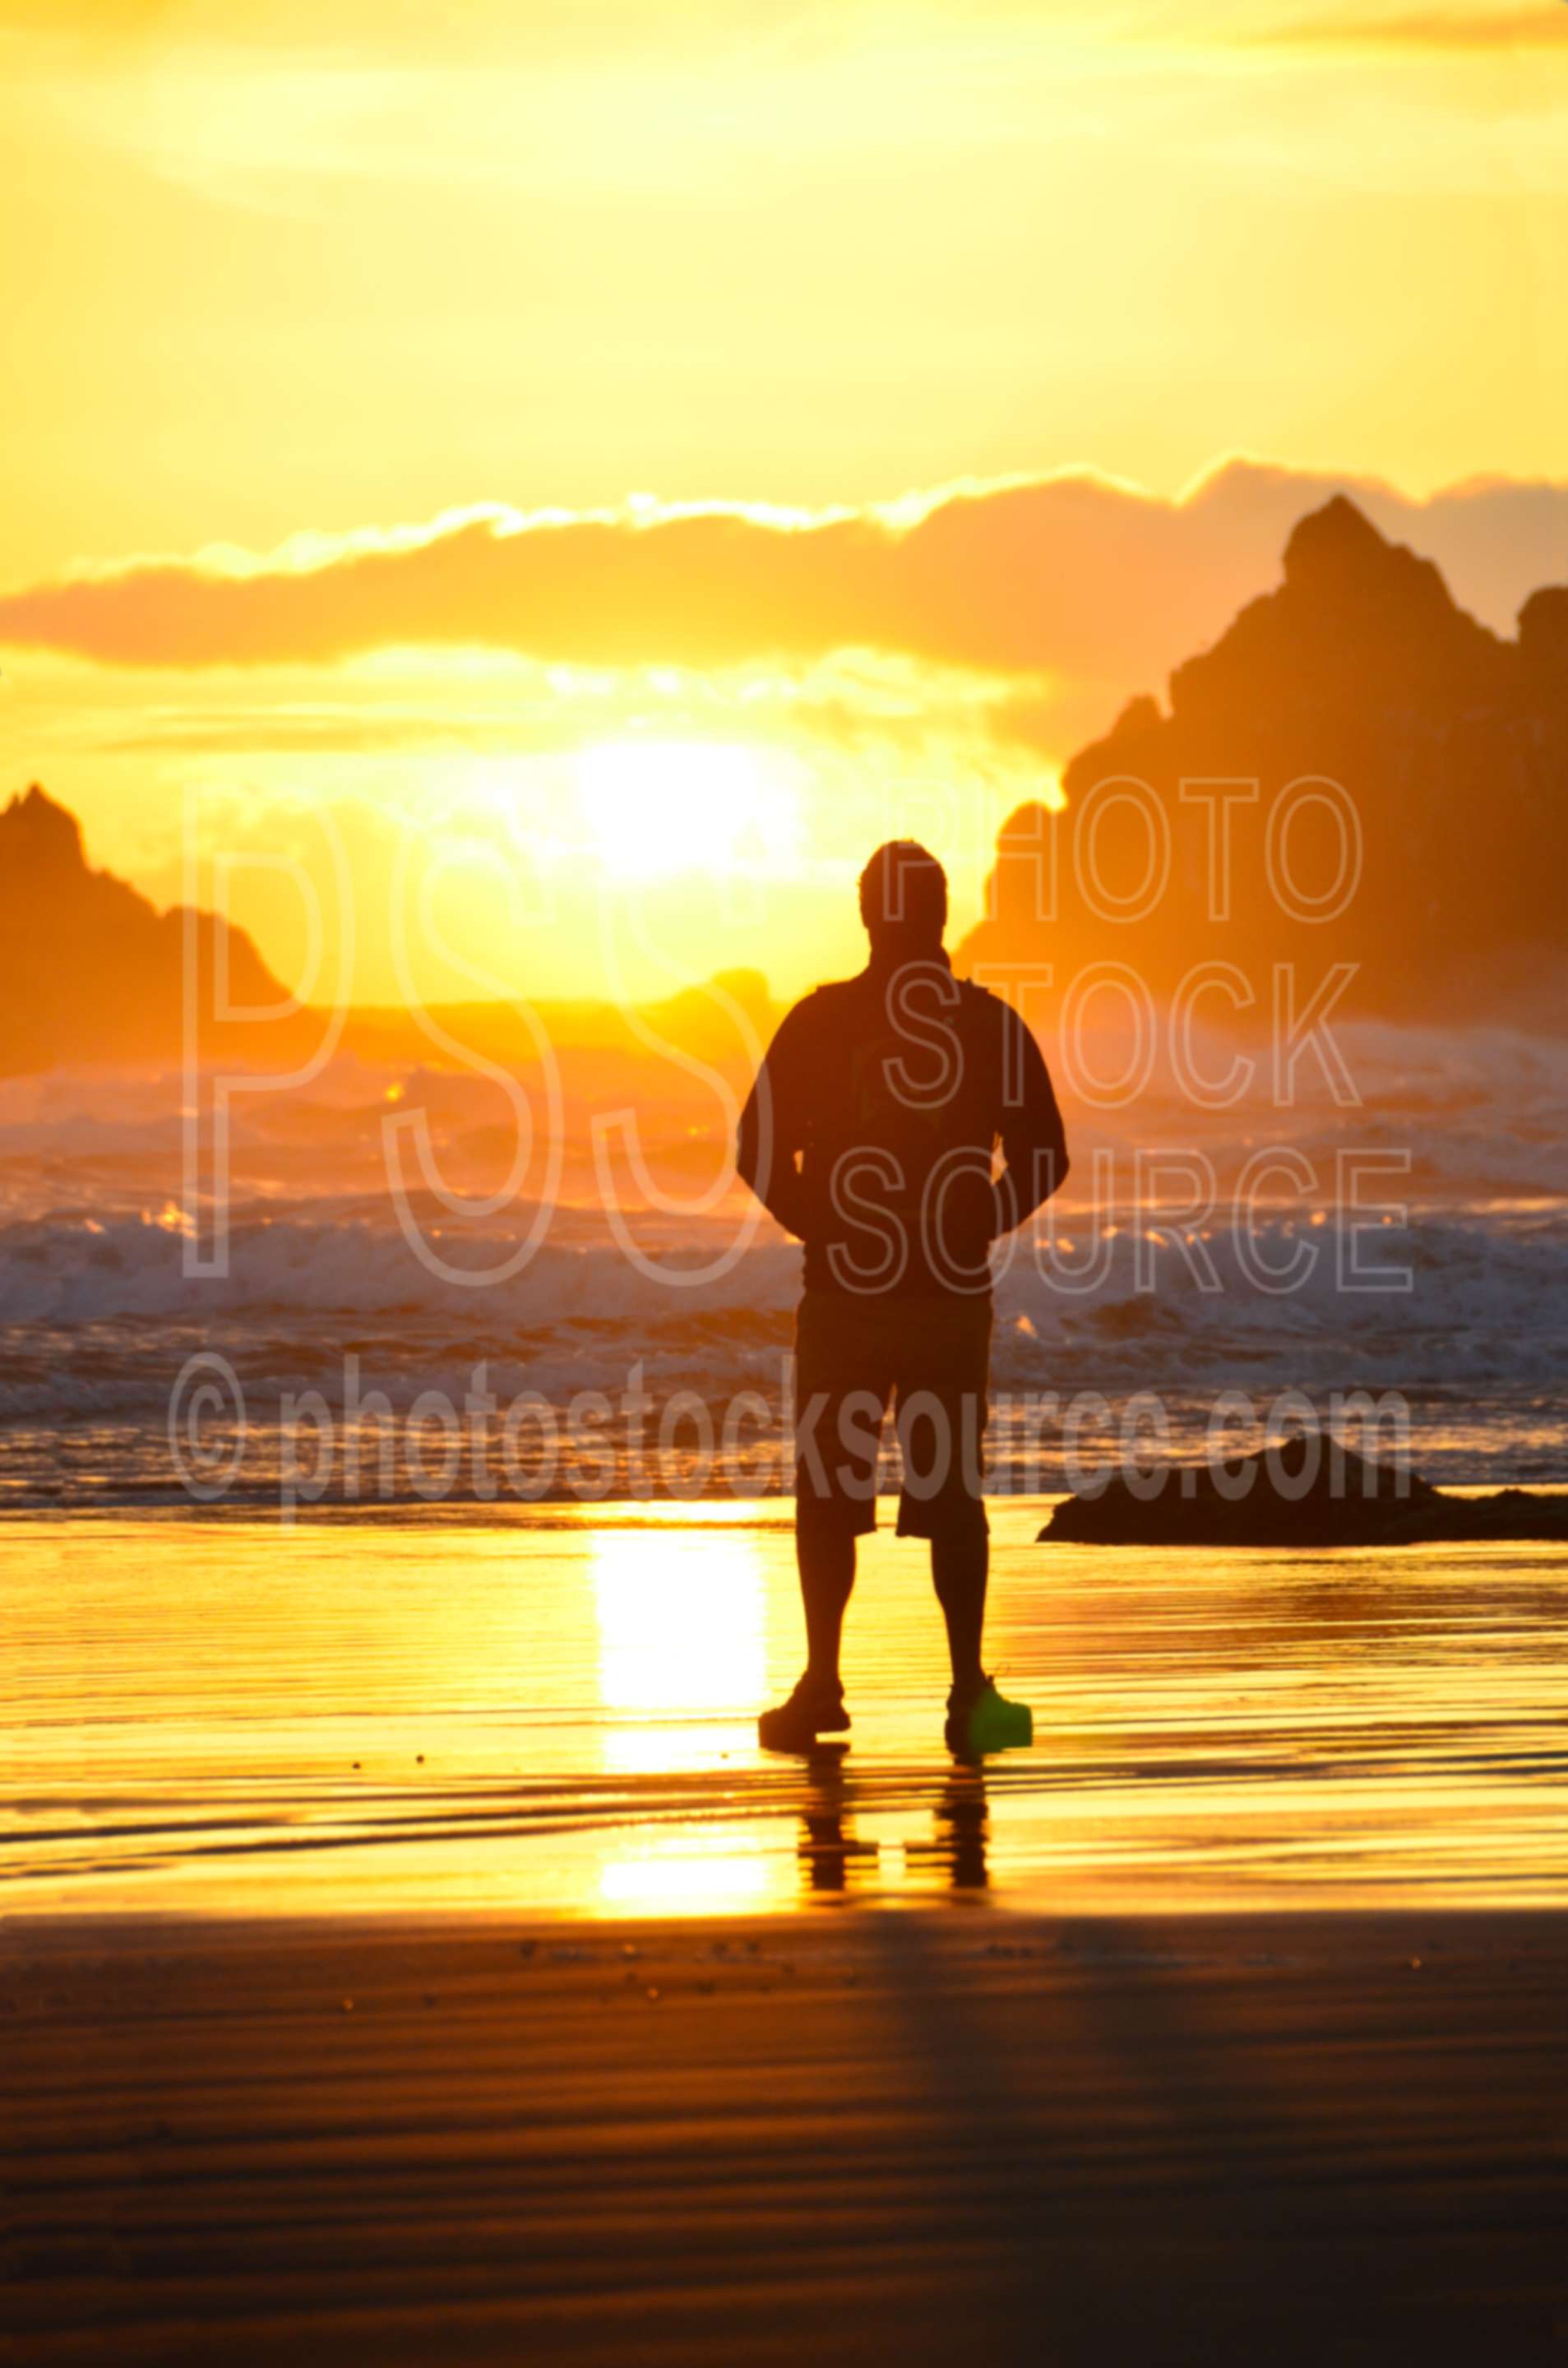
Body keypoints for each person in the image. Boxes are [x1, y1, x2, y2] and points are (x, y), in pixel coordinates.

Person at [736, 839, 1069, 1757]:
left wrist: (822, 1227)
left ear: (864, 917)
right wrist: (981, 1223)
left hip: (844, 1296)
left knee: (826, 1493)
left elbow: (753, 1150)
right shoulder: (982, 1023)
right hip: (945, 1297)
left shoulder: (821, 1022)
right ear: (938, 915)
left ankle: (820, 1686)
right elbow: (1046, 1152)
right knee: (951, 1496)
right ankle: (966, 1695)